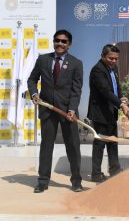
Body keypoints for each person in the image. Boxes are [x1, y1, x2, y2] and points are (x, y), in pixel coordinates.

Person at [27, 29, 83, 193]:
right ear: (54, 42)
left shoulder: (76, 63)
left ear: (69, 44)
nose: (60, 43)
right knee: (46, 146)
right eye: (57, 40)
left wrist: (72, 109)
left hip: (67, 112)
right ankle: (43, 181)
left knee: (73, 147)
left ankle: (76, 181)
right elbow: (32, 79)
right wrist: (35, 93)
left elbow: (76, 90)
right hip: (47, 110)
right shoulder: (43, 59)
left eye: (64, 41)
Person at [87, 44, 129, 183]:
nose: (114, 61)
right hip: (100, 113)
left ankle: (115, 170)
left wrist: (121, 98)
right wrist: (121, 104)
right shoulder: (97, 70)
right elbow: (105, 91)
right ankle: (96, 174)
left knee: (112, 143)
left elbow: (116, 86)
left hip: (111, 112)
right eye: (111, 58)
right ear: (102, 56)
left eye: (116, 59)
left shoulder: (114, 68)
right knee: (99, 144)